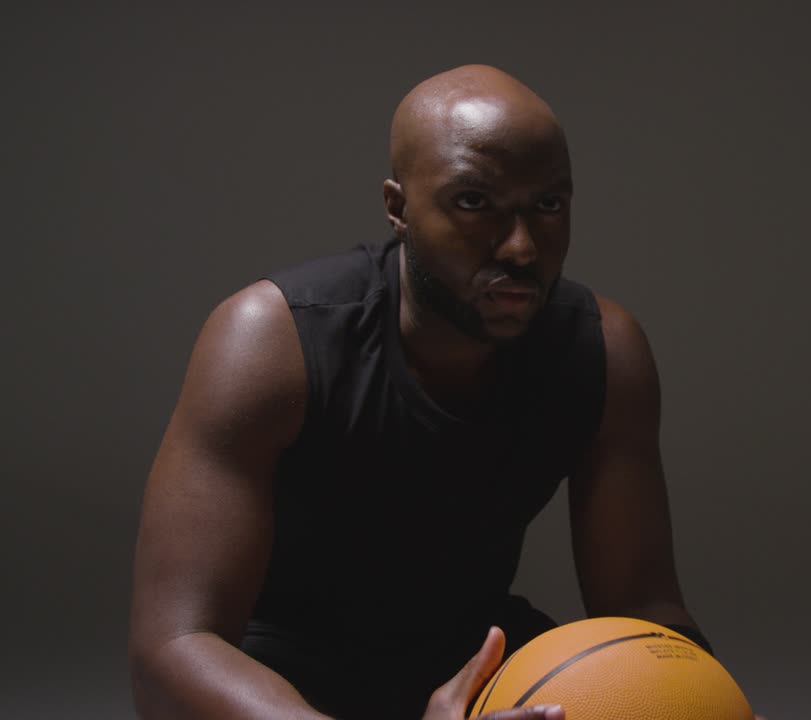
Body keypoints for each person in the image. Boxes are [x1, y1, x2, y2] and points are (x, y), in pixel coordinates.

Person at [128, 65, 732, 719]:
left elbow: (642, 611)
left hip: (475, 670)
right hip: (283, 686)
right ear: (399, 208)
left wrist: (710, 702)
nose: (522, 248)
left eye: (548, 206)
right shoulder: (272, 341)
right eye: (474, 203)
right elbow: (173, 648)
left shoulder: (603, 350)